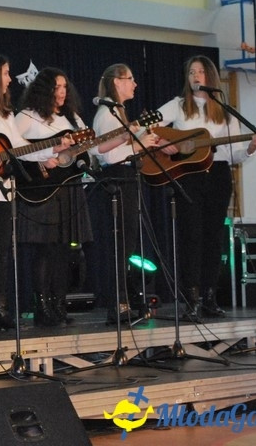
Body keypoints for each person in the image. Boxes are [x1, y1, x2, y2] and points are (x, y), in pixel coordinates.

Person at [0, 53, 72, 332]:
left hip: (3, 190)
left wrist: (50, 149)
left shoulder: (4, 110)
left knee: (0, 250)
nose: (9, 79)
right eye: (6, 73)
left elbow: (18, 146)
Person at [156, 55, 256, 320]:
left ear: (210, 76)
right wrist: (162, 143)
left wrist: (250, 148)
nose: (195, 76)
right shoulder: (178, 105)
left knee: (214, 238)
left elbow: (235, 154)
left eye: (200, 72)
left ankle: (210, 297)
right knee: (191, 236)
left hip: (218, 175)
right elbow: (148, 126)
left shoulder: (224, 110)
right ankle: (191, 299)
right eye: (191, 72)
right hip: (188, 176)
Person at [15, 67, 122, 327]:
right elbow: (14, 149)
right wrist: (45, 156)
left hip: (69, 187)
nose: (62, 92)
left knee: (64, 250)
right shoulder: (27, 116)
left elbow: (90, 148)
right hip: (42, 188)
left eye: (64, 87)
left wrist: (118, 138)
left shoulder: (72, 118)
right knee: (46, 249)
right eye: (56, 87)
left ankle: (59, 304)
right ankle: (42, 307)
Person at [90, 63, 160, 324]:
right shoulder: (107, 114)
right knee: (119, 245)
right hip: (116, 180)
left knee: (126, 245)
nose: (135, 84)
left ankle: (124, 301)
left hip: (125, 178)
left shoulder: (116, 112)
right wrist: (138, 146)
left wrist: (141, 139)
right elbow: (106, 155)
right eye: (130, 79)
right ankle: (117, 304)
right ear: (117, 82)